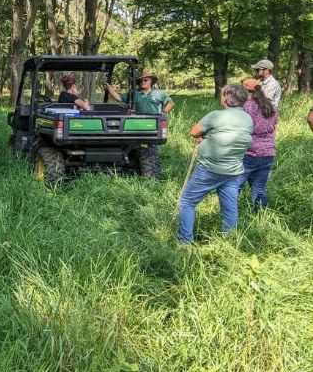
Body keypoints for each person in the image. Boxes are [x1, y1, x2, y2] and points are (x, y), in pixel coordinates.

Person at [177, 83, 253, 244]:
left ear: (226, 98)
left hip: (210, 169)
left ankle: (184, 243)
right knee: (229, 208)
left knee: (187, 202)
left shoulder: (215, 115)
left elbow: (194, 131)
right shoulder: (247, 119)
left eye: (222, 94)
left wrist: (204, 136)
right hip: (233, 171)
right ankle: (229, 242)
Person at [104, 70, 174, 178]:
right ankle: (130, 166)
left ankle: (152, 171)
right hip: (136, 124)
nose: (143, 82)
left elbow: (170, 103)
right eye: (141, 80)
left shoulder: (159, 93)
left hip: (152, 124)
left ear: (151, 81)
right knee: (133, 146)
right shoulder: (134, 94)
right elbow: (119, 98)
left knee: (152, 149)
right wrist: (109, 88)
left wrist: (163, 113)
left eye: (145, 80)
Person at [237, 79, 278, 209]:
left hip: (251, 152)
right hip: (268, 153)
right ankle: (260, 216)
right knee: (259, 188)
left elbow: (241, 128)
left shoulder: (247, 106)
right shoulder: (270, 106)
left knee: (234, 185)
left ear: (245, 90)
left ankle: (229, 216)